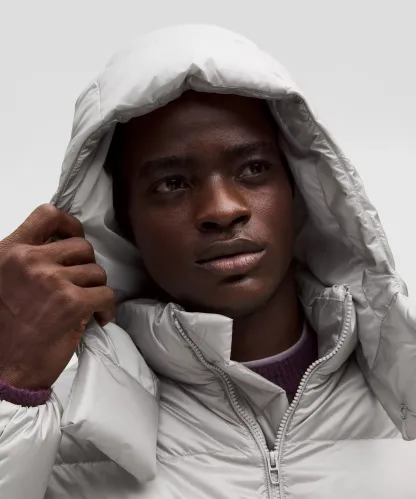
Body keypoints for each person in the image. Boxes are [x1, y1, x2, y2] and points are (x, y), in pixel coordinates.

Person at [0, 24, 416, 499]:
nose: (222, 209)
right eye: (172, 183)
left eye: (254, 168)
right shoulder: (49, 421)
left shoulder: (403, 402)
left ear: (298, 190)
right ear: (122, 221)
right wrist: (13, 381)